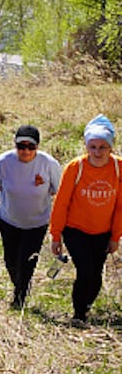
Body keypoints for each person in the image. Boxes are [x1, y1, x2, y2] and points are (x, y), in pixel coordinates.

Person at [49, 114, 122, 324]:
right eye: (93, 147)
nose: (97, 152)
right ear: (86, 146)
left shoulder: (118, 168)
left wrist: (115, 236)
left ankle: (86, 305)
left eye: (102, 147)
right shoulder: (75, 167)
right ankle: (78, 314)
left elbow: (120, 206)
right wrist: (56, 235)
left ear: (111, 147)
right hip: (76, 229)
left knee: (96, 275)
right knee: (85, 271)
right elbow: (61, 203)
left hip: (103, 231)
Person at [0, 125, 62, 308]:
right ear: (15, 145)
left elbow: (56, 190)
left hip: (37, 223)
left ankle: (20, 297)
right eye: (21, 146)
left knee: (27, 261)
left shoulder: (49, 164)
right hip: (9, 220)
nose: (26, 151)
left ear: (38, 147)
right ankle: (19, 284)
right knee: (11, 261)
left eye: (31, 147)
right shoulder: (2, 162)